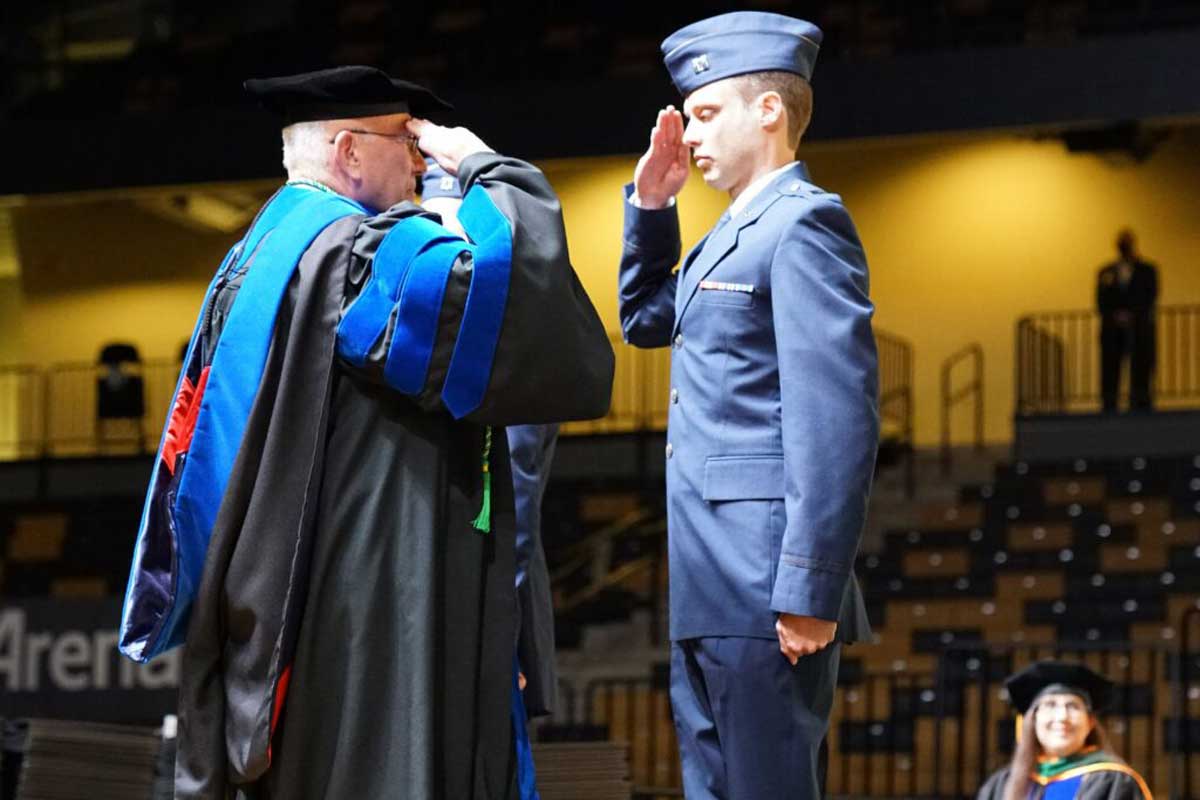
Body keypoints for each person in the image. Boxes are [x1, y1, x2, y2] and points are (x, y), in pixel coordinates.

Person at [118, 65, 613, 799]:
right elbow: (520, 320)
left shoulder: (258, 252)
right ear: (349, 151)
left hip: (280, 592)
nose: (420, 161)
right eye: (405, 140)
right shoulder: (358, 254)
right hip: (367, 600)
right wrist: (488, 169)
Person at [617, 12, 878, 799]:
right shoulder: (732, 228)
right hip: (709, 577)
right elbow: (645, 319)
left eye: (705, 113)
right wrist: (653, 208)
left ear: (768, 111)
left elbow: (836, 422)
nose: (688, 135)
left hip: (765, 583)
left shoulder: (803, 223)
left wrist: (808, 589)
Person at [977, 661, 1152, 800]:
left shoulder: (1114, 781)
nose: (1061, 716)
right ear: (1033, 720)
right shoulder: (1001, 784)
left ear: (1090, 722)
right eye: (1049, 705)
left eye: (1073, 706)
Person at [1097, 229, 1158, 412]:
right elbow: (1100, 301)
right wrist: (1116, 315)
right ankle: (1109, 404)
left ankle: (1140, 404)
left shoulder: (1147, 270)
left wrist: (1133, 315)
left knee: (1141, 366)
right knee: (1110, 367)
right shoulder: (1105, 271)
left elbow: (1151, 296)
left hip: (1139, 328)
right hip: (1112, 330)